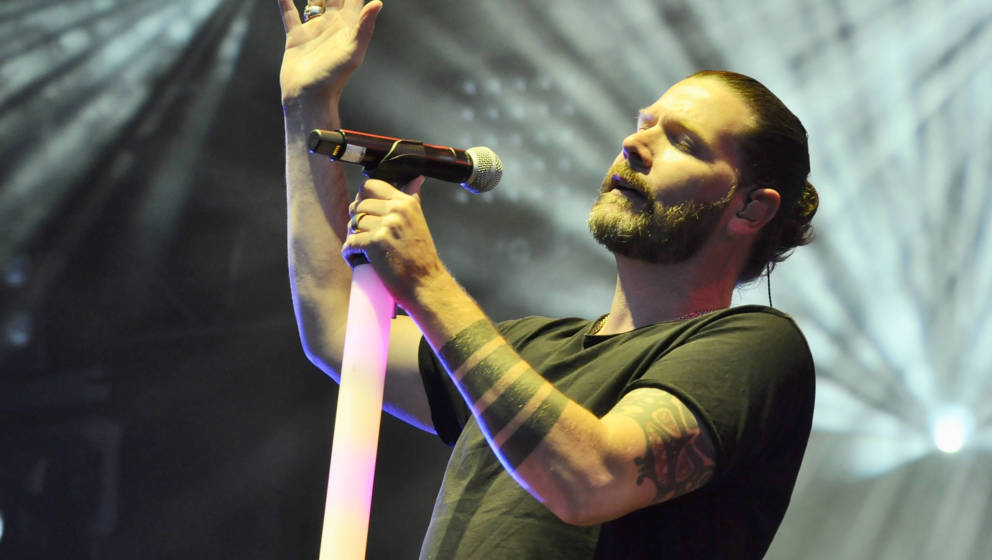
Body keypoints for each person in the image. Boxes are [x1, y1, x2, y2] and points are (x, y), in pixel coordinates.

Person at [277, 1, 818, 558]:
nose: (634, 145)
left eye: (682, 142)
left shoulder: (758, 347)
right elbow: (342, 331)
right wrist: (308, 102)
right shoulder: (525, 350)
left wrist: (426, 282)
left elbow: (593, 478)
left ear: (751, 209)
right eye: (643, 125)